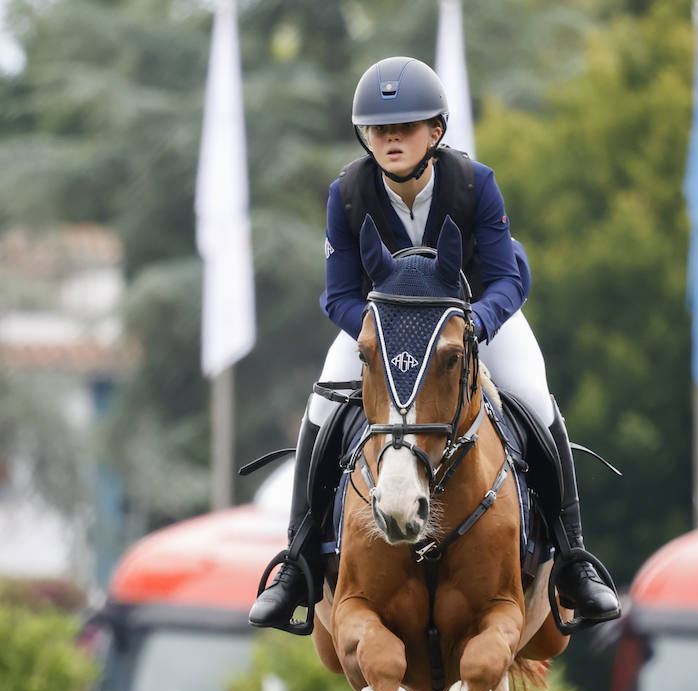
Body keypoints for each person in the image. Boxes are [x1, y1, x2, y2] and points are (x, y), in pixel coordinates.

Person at [249, 56, 619, 630]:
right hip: (382, 328)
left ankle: (573, 560)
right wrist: (381, 332)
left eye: (406, 126)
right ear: (364, 136)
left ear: (436, 132)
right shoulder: (347, 193)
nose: (391, 138)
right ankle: (296, 564)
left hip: (471, 323)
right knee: (320, 410)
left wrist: (475, 327)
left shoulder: (475, 185)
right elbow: (338, 295)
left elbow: (506, 279)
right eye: (379, 129)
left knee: (537, 402)